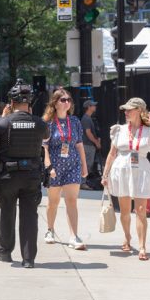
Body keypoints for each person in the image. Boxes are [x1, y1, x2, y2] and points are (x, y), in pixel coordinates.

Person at [0, 81, 47, 268]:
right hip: (32, 175)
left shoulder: (1, 123)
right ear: (30, 102)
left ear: (11, 102)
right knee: (29, 216)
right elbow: (44, 138)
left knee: (7, 213)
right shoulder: (39, 123)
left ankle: (4, 252)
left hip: (7, 175)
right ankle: (28, 258)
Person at [102, 97, 150, 260]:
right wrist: (105, 174)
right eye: (125, 110)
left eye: (129, 110)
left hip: (140, 171)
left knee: (141, 211)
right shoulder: (119, 130)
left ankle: (142, 246)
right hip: (121, 171)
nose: (126, 112)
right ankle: (127, 238)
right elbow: (112, 153)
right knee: (125, 211)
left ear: (140, 111)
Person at [41, 88, 88, 249]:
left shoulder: (74, 121)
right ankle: (50, 229)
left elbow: (79, 144)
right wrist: (48, 167)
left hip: (72, 165)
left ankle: (74, 236)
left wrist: (84, 165)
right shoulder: (49, 123)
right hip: (54, 166)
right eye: (63, 100)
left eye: (69, 99)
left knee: (72, 201)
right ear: (55, 103)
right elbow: (44, 146)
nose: (67, 102)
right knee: (53, 202)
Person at [80, 98, 101, 185]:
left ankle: (83, 182)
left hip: (88, 145)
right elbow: (88, 133)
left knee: (87, 164)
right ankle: (82, 182)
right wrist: (96, 142)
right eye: (93, 105)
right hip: (87, 145)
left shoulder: (88, 118)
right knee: (87, 164)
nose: (95, 106)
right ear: (89, 107)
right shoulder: (86, 119)